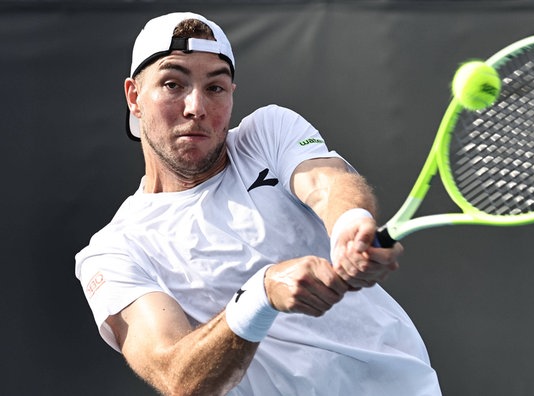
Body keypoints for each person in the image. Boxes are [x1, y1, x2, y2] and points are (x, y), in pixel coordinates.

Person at [75, 12, 441, 396]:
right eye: (173, 83)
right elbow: (178, 377)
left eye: (215, 88)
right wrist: (261, 295)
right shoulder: (113, 252)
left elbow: (325, 182)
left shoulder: (268, 133)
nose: (195, 107)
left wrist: (350, 222)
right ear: (134, 97)